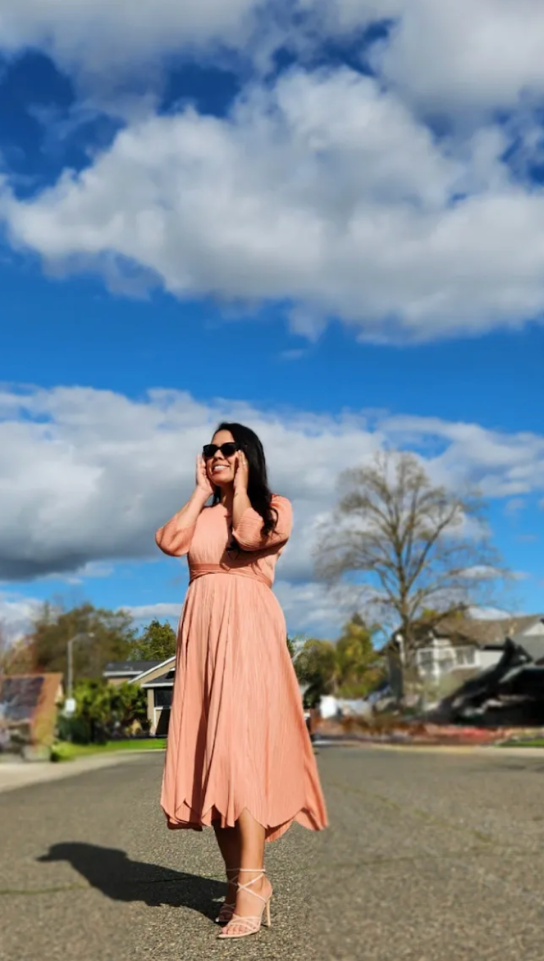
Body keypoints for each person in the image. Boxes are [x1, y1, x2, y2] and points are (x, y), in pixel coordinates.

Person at [155, 422, 328, 940]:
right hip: (204, 639)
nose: (217, 454)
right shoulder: (204, 512)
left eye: (229, 449)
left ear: (248, 455)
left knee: (241, 754)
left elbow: (254, 537)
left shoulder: (274, 506)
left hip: (248, 632)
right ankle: (238, 884)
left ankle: (253, 884)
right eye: (211, 449)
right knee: (216, 764)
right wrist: (201, 490)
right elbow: (170, 542)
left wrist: (241, 489)